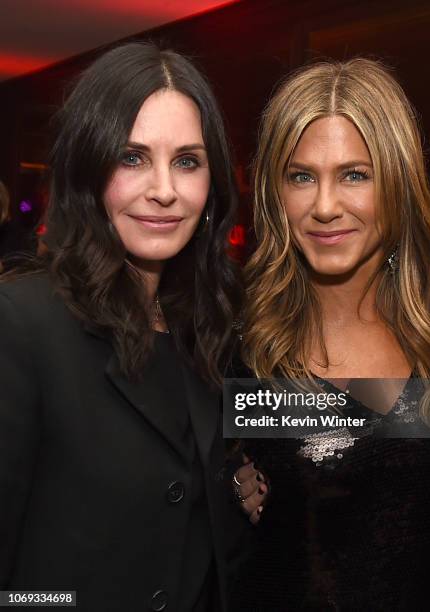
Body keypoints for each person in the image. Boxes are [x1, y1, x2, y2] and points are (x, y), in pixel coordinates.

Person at [0, 41, 263, 612]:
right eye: (133, 157)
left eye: (187, 161)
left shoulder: (211, 325)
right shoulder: (21, 324)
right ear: (88, 168)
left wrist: (250, 473)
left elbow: (327, 418)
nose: (164, 189)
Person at [231, 58, 430, 611]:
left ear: (399, 181)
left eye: (354, 175)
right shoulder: (242, 334)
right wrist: (229, 483)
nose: (324, 206)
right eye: (301, 176)